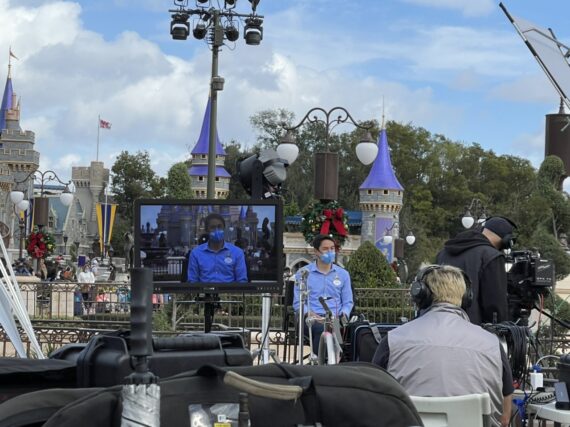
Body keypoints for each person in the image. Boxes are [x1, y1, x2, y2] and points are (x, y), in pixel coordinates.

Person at [372, 265, 513, 427]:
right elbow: (504, 419)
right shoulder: (492, 344)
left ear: (421, 296)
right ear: (467, 298)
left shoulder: (392, 341)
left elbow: (375, 402)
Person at [436, 216, 517, 325]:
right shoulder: (491, 257)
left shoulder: (443, 253)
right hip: (473, 333)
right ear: (507, 240)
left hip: (440, 326)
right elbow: (495, 305)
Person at [292, 234, 353, 355]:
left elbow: (348, 302)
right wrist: (310, 314)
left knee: (350, 331)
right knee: (322, 330)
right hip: (311, 319)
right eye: (325, 249)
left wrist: (342, 316)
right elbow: (298, 303)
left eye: (332, 248)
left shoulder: (343, 274)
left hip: (335, 318)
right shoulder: (303, 273)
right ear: (316, 252)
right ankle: (320, 364)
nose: (330, 252)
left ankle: (340, 362)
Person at [187, 213, 248, 283]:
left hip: (229, 292)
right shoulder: (196, 253)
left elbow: (242, 281)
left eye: (219, 227)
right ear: (207, 230)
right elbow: (192, 281)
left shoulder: (237, 253)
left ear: (224, 228)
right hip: (204, 292)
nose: (217, 230)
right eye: (213, 227)